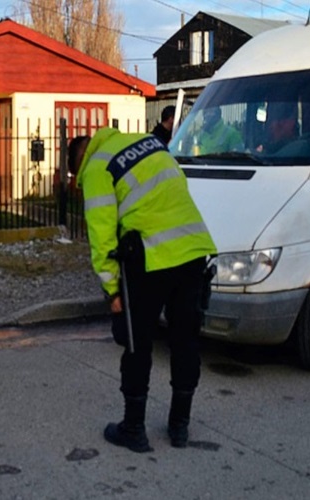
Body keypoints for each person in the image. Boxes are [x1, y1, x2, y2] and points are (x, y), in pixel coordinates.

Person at [69, 128, 217, 452]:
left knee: (137, 344)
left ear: (80, 161)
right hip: (193, 249)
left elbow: (102, 236)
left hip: (150, 258)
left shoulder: (96, 167)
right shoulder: (149, 142)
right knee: (185, 341)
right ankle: (180, 427)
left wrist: (112, 291)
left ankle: (134, 428)